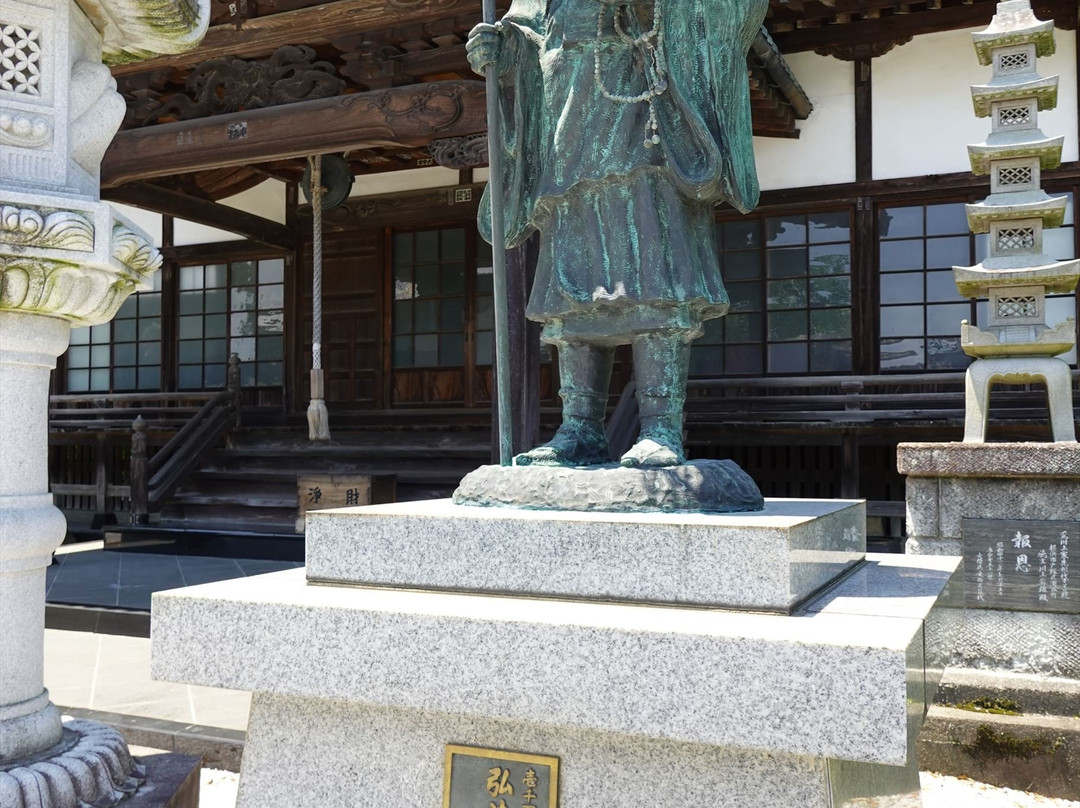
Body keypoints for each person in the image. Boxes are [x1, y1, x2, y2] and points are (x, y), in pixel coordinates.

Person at [467, 0, 767, 468]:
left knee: (654, 279)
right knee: (572, 291)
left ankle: (662, 427)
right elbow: (529, 34)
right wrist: (503, 51)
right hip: (567, 125)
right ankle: (580, 427)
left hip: (645, 124)